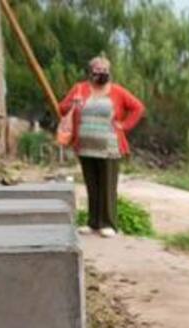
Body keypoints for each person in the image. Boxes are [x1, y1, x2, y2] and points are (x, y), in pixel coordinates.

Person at [58, 56, 145, 237]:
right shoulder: (80, 89)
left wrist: (124, 125)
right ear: (90, 71)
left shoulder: (117, 91)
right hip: (85, 145)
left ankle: (109, 223)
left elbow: (138, 108)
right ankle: (93, 223)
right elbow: (62, 108)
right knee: (92, 185)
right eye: (98, 69)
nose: (102, 73)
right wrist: (72, 104)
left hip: (109, 146)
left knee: (108, 185)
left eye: (105, 69)